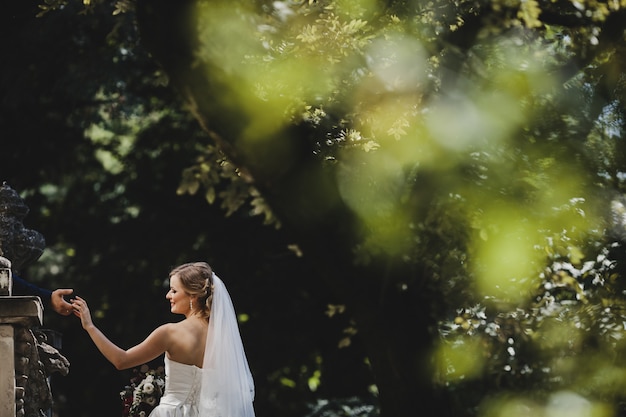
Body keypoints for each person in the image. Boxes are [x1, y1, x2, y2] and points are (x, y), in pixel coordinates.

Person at [72, 262, 255, 417]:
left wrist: (90, 326)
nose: (168, 296)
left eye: (174, 291)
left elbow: (121, 360)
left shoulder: (170, 333)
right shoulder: (222, 339)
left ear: (193, 295)